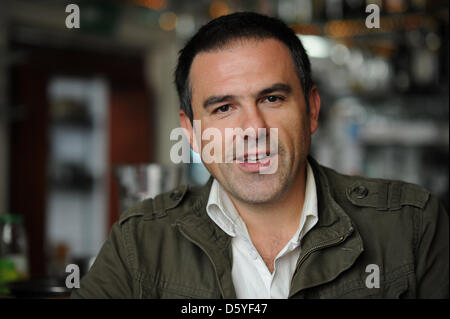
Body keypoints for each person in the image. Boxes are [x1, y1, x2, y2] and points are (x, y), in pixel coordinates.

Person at [72, 12, 448, 299]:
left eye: (272, 99)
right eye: (223, 108)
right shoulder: (140, 241)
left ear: (312, 110)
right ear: (191, 132)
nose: (252, 128)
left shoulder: (411, 226)